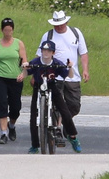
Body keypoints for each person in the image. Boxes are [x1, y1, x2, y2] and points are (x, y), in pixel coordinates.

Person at [41, 10, 89, 152]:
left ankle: (66, 125)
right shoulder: (48, 35)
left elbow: (83, 53)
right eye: (56, 25)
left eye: (61, 24)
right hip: (54, 75)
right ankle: (57, 128)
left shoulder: (76, 33)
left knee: (74, 105)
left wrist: (85, 70)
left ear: (66, 22)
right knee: (57, 104)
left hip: (72, 75)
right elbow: (41, 55)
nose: (59, 27)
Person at [20, 39, 73, 152]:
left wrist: (70, 67)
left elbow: (69, 75)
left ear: (53, 53)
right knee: (33, 118)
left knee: (65, 111)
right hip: (38, 87)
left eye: (49, 51)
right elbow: (27, 71)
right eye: (44, 50)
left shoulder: (56, 63)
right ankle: (35, 145)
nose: (46, 53)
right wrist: (23, 71)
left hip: (52, 86)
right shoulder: (36, 61)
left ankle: (73, 136)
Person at [0, 17, 27, 145]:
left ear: (13, 30)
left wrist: (23, 73)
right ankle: (3, 133)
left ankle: (12, 125)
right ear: (2, 30)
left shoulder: (18, 43)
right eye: (5, 30)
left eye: (10, 30)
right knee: (1, 103)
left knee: (15, 107)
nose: (8, 33)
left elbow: (24, 62)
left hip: (15, 78)